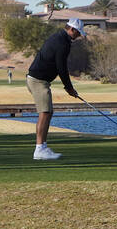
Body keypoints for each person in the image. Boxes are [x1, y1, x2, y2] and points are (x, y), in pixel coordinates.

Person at [26, 17, 86, 160]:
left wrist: (68, 87)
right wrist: (69, 88)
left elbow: (60, 66)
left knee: (47, 112)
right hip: (38, 81)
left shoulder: (60, 38)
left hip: (39, 80)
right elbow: (61, 68)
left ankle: (42, 147)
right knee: (45, 112)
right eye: (77, 33)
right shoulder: (62, 43)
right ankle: (39, 149)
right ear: (71, 29)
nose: (78, 36)